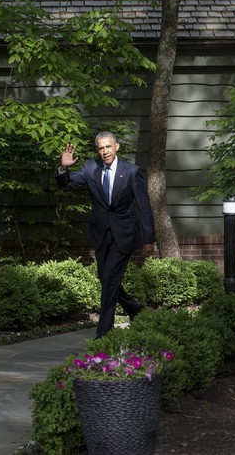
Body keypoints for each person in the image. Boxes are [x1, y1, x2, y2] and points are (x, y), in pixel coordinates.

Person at [55, 131, 156, 338]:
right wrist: (63, 168)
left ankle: (104, 334)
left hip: (124, 235)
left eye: (108, 147)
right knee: (106, 278)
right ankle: (135, 308)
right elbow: (68, 183)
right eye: (101, 148)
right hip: (101, 234)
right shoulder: (91, 167)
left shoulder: (131, 171)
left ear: (116, 146)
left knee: (109, 280)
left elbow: (144, 207)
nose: (105, 152)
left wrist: (148, 239)